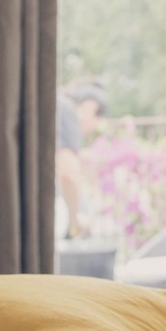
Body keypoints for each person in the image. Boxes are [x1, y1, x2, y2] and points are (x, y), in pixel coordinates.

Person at [55, 81, 107, 238]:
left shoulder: (58, 104)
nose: (89, 131)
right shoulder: (68, 113)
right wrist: (75, 220)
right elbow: (68, 173)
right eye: (95, 124)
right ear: (90, 108)